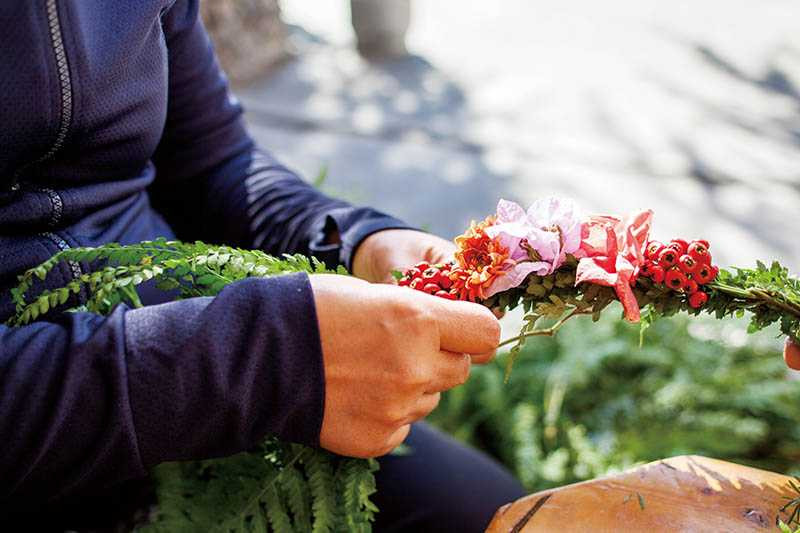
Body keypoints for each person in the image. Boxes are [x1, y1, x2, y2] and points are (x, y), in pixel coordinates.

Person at [0, 1, 525, 530]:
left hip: (211, 374)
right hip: (70, 431)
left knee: (492, 511)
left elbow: (213, 159)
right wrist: (267, 357)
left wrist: (360, 240)